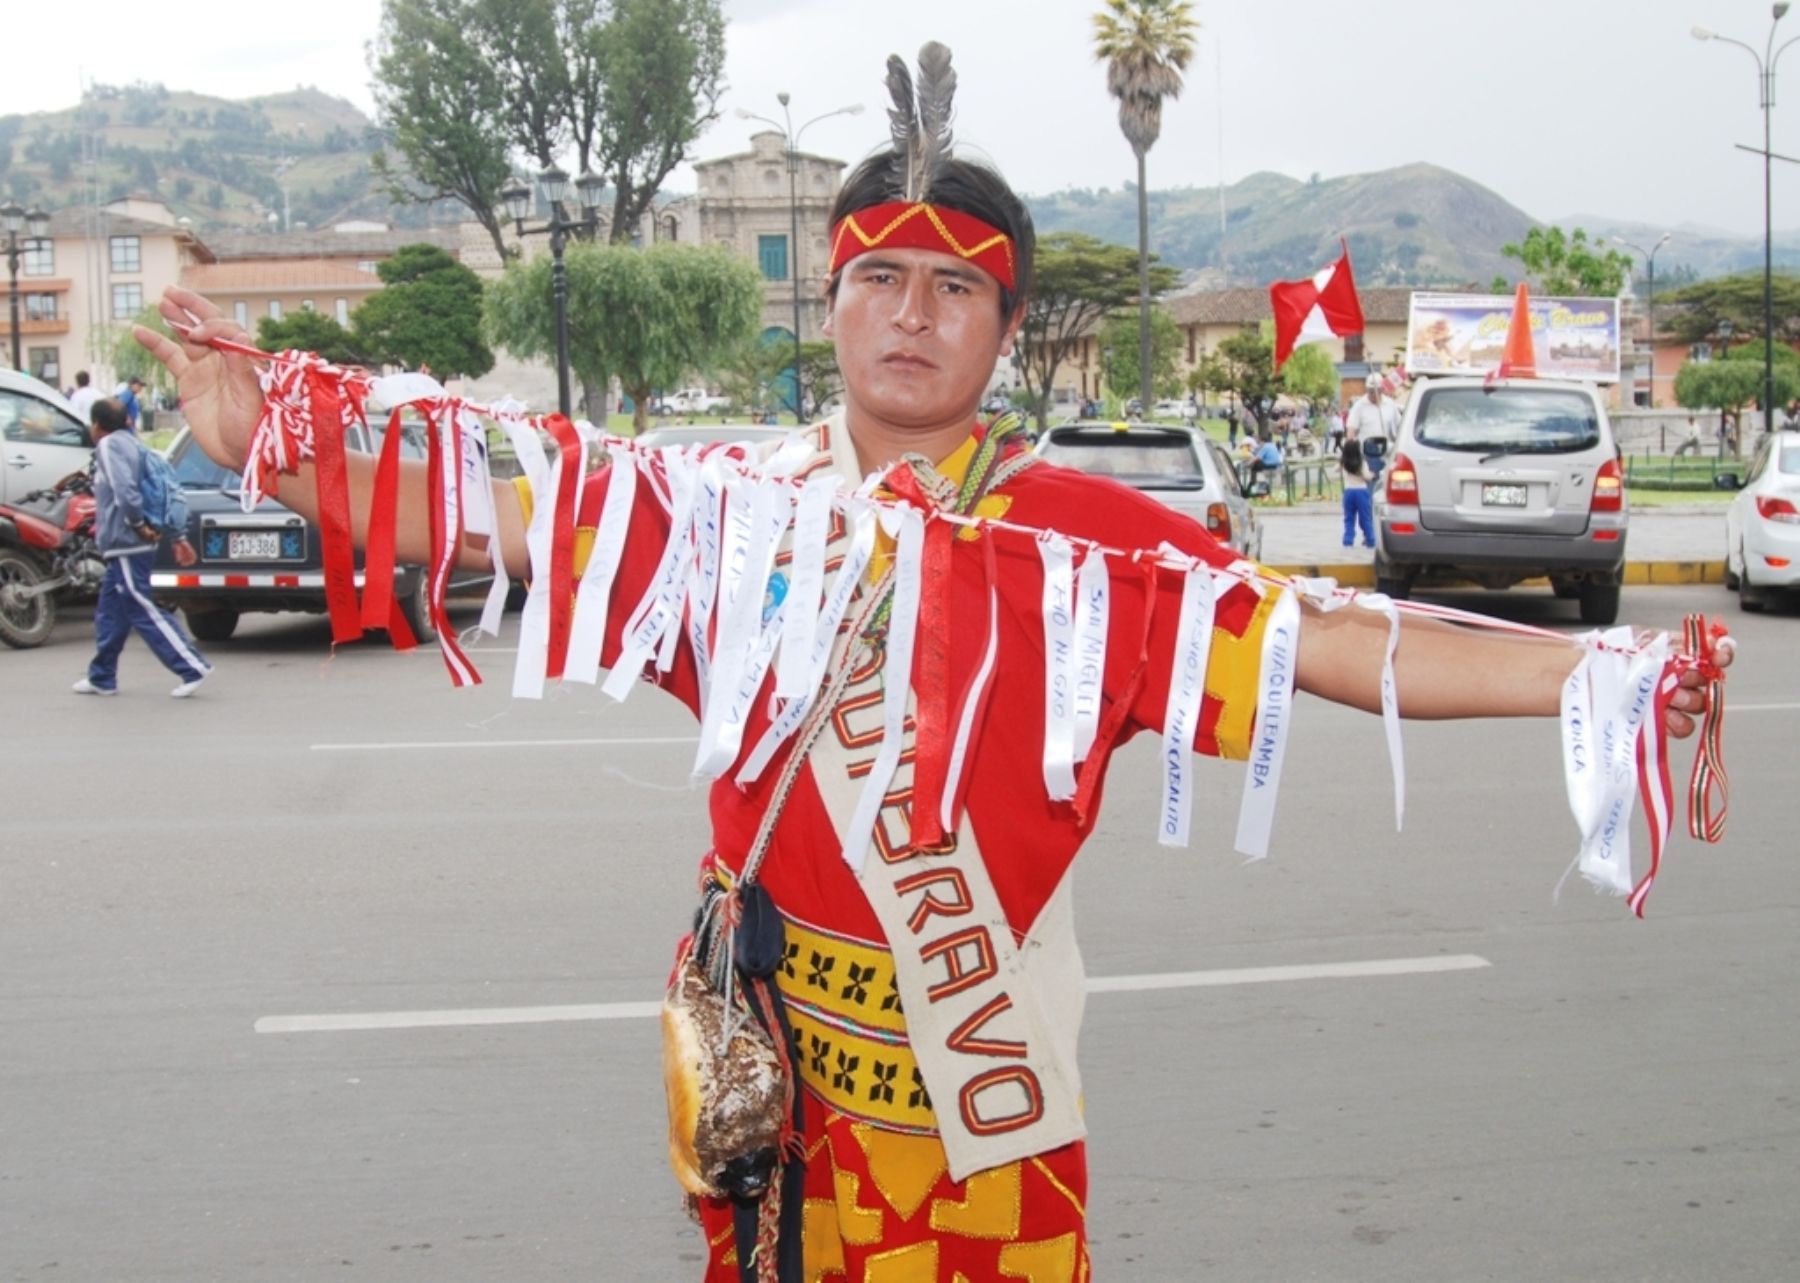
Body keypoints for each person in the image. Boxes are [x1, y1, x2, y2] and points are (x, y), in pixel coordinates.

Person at [136, 42, 1724, 1281]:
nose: (911, 315)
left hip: (986, 1102)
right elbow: (492, 521)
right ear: (832, 307)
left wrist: (1597, 680)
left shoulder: (1091, 538)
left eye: (955, 286)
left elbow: (1330, 645)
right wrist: (262, 450)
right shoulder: (734, 511)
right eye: (879, 280)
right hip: (773, 1078)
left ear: (1004, 326)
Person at [72, 398, 208, 698]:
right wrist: (176, 535)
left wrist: (137, 525)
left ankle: (191, 666)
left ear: (96, 425)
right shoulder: (135, 444)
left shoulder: (109, 446)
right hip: (129, 543)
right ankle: (102, 676)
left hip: (127, 542)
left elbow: (125, 492)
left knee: (140, 606)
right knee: (110, 612)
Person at [1346, 381, 1395, 480]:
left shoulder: (1390, 404)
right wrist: (1349, 452)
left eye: (1376, 391)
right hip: (1369, 452)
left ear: (1382, 390)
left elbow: (1398, 426)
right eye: (1370, 391)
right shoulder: (1359, 405)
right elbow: (1351, 429)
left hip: (1387, 450)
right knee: (1372, 482)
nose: (1373, 394)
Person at [1341, 436, 1375, 548]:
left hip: (1348, 491)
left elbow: (1334, 469)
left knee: (1349, 518)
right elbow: (1367, 476)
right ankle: (1370, 539)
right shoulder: (1362, 462)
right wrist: (1373, 475)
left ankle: (1348, 540)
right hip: (1361, 491)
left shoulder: (1344, 463)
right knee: (1365, 518)